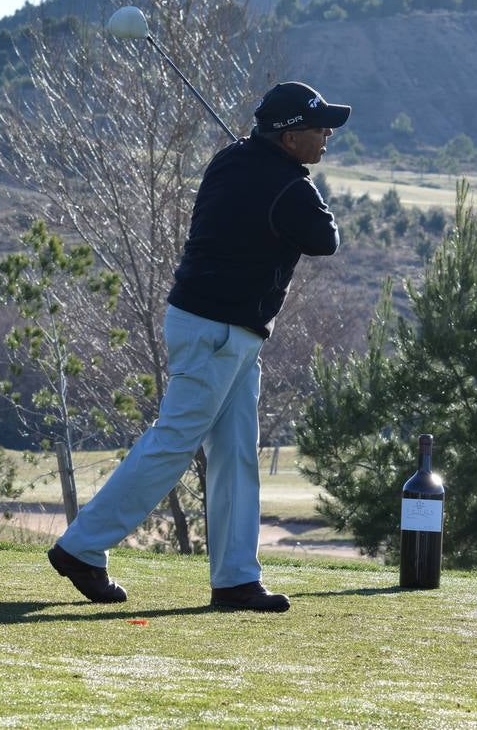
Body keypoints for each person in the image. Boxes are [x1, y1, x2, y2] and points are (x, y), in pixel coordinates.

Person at [47, 80, 350, 613]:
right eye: (318, 127)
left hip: (215, 326)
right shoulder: (288, 187)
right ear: (287, 137)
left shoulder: (229, 161)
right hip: (217, 329)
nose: (327, 134)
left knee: (234, 452)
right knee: (174, 442)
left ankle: (235, 578)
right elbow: (326, 239)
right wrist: (300, 184)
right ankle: (82, 547)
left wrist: (287, 173)